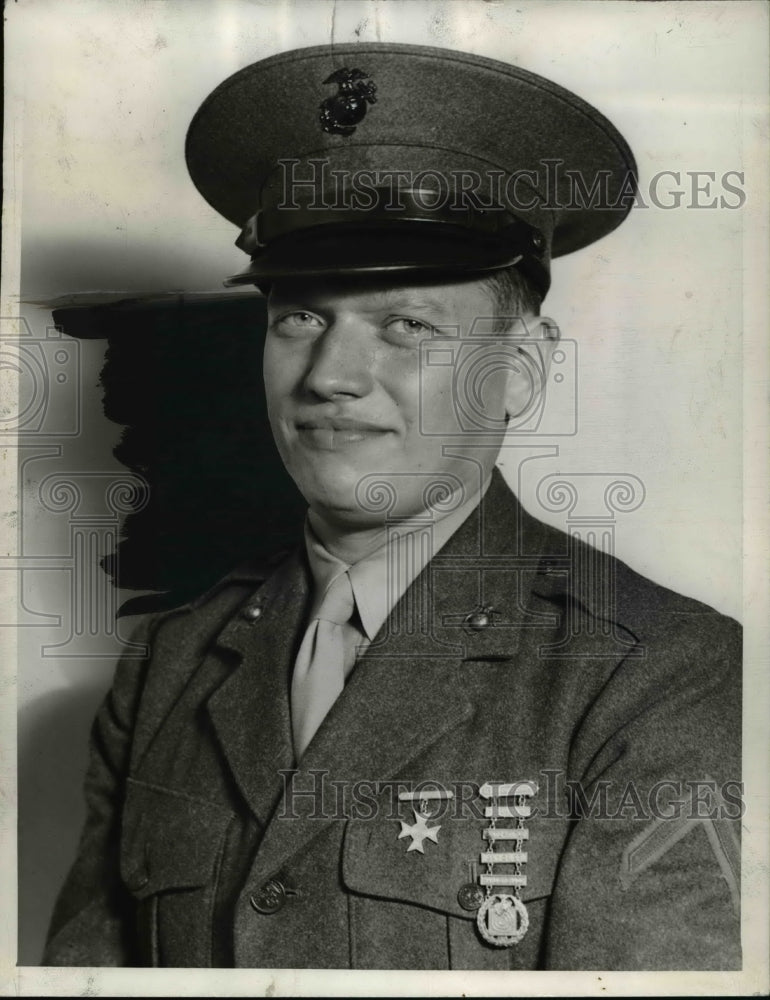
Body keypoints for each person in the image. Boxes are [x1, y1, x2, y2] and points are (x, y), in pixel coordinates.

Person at [43, 42, 741, 970]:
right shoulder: (166, 662)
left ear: (518, 371)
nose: (330, 377)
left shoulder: (656, 674)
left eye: (406, 325)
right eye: (300, 316)